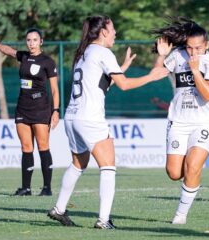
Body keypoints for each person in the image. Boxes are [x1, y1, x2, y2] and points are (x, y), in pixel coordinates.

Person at [47, 15, 168, 229]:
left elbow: (102, 85)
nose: (115, 33)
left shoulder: (83, 53)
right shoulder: (103, 52)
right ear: (103, 31)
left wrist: (122, 66)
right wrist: (151, 76)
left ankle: (59, 209)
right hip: (90, 118)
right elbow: (124, 85)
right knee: (108, 167)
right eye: (112, 29)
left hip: (72, 117)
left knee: (78, 164)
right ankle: (103, 220)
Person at [153, 17, 209, 224]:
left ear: (207, 45)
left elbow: (208, 94)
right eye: (190, 48)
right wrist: (162, 56)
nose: (193, 52)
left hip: (205, 122)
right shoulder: (177, 56)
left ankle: (180, 215)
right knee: (174, 173)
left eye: (198, 48)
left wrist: (194, 69)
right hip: (178, 122)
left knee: (192, 166)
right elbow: (156, 74)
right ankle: (193, 173)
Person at [0, 29, 60, 196]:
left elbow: (54, 90)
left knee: (43, 146)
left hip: (41, 108)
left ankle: (47, 188)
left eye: (34, 40)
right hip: (23, 107)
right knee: (26, 147)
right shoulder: (23, 56)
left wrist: (56, 111)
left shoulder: (48, 62)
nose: (31, 43)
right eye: (28, 40)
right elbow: (9, 50)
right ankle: (26, 188)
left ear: (41, 41)